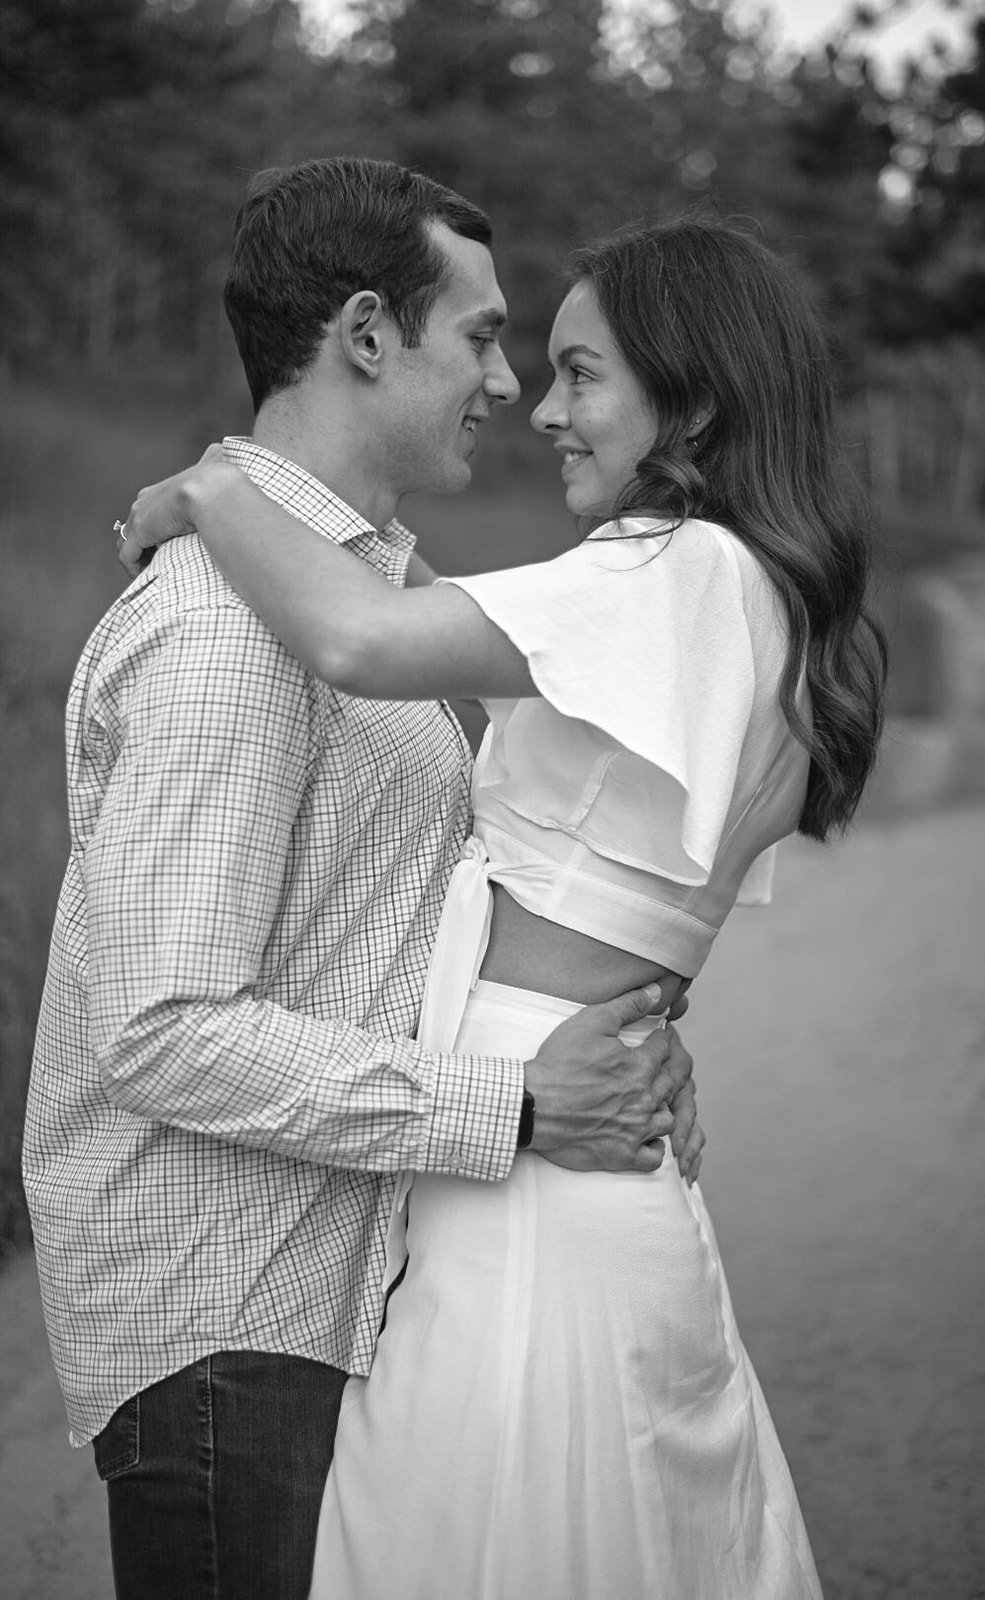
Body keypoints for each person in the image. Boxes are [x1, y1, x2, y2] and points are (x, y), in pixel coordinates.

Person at [121, 211, 887, 1597]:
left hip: (529, 1176)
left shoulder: (676, 574)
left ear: (695, 396)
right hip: (565, 1134)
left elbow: (356, 641)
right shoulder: (728, 593)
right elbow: (538, 747)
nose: (544, 408)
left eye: (583, 374)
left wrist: (210, 497)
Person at [23, 157, 703, 1600]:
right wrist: (514, 1104)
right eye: (481, 336)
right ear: (367, 335)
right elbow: (159, 1028)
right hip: (230, 1335)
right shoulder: (226, 632)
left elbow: (399, 923)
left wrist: (581, 1036)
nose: (508, 383)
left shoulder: (362, 597)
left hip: (329, 1304)